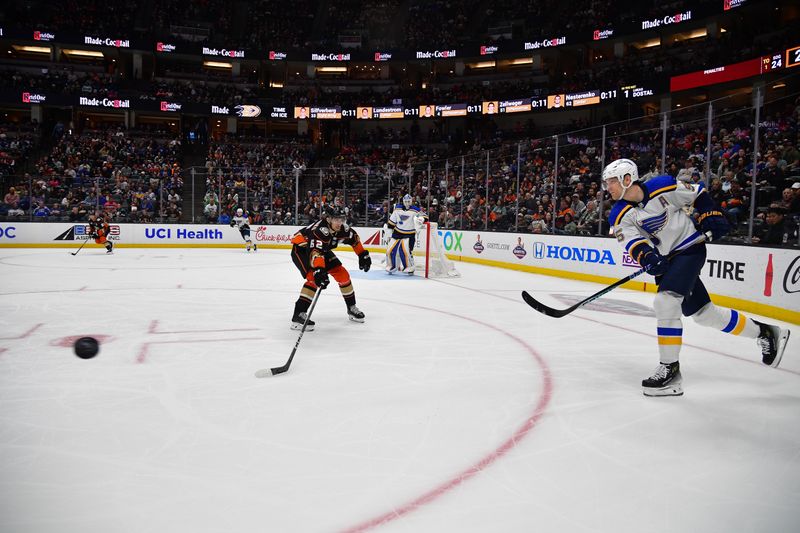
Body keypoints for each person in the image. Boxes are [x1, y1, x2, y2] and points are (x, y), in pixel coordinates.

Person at [602, 158, 790, 397]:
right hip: (669, 261)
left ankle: (670, 370)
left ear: (627, 179)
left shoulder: (663, 186)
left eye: (610, 182)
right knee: (704, 314)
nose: (607, 188)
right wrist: (647, 257)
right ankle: (765, 332)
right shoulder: (619, 214)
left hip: (690, 249)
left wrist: (710, 213)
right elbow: (632, 242)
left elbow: (698, 194)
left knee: (665, 302)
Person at [289, 205, 371, 330]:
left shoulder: (343, 229)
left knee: (343, 275)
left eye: (341, 219)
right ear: (328, 219)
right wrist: (319, 270)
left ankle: (351, 308)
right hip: (302, 250)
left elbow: (354, 239)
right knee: (313, 278)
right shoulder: (320, 231)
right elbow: (315, 252)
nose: (339, 223)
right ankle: (298, 315)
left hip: (322, 250)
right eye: (336, 219)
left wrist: (362, 254)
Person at [385, 193, 428, 274]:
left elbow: (425, 216)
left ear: (411, 201)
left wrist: (421, 219)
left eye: (409, 201)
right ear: (403, 201)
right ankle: (391, 266)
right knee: (390, 250)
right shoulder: (397, 209)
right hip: (397, 232)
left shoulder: (415, 209)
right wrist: (389, 230)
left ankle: (410, 267)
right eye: (406, 201)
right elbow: (392, 221)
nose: (407, 203)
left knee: (405, 251)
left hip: (409, 234)